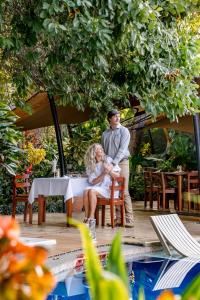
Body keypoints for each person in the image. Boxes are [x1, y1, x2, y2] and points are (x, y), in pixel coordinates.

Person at [101, 109, 134, 228]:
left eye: (118, 116)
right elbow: (104, 150)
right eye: (115, 116)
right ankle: (118, 219)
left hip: (122, 163)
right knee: (114, 191)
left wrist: (113, 163)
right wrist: (106, 162)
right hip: (110, 165)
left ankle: (129, 220)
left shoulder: (124, 131)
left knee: (124, 191)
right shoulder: (105, 133)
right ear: (109, 119)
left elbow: (122, 149)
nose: (117, 118)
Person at [83, 143, 120, 241]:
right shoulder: (91, 165)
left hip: (110, 189)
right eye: (99, 149)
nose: (102, 150)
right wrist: (103, 173)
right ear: (94, 153)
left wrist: (109, 171)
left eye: (101, 148)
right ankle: (87, 218)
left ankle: (90, 219)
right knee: (86, 190)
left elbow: (117, 176)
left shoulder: (109, 160)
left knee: (91, 191)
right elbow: (93, 182)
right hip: (99, 188)